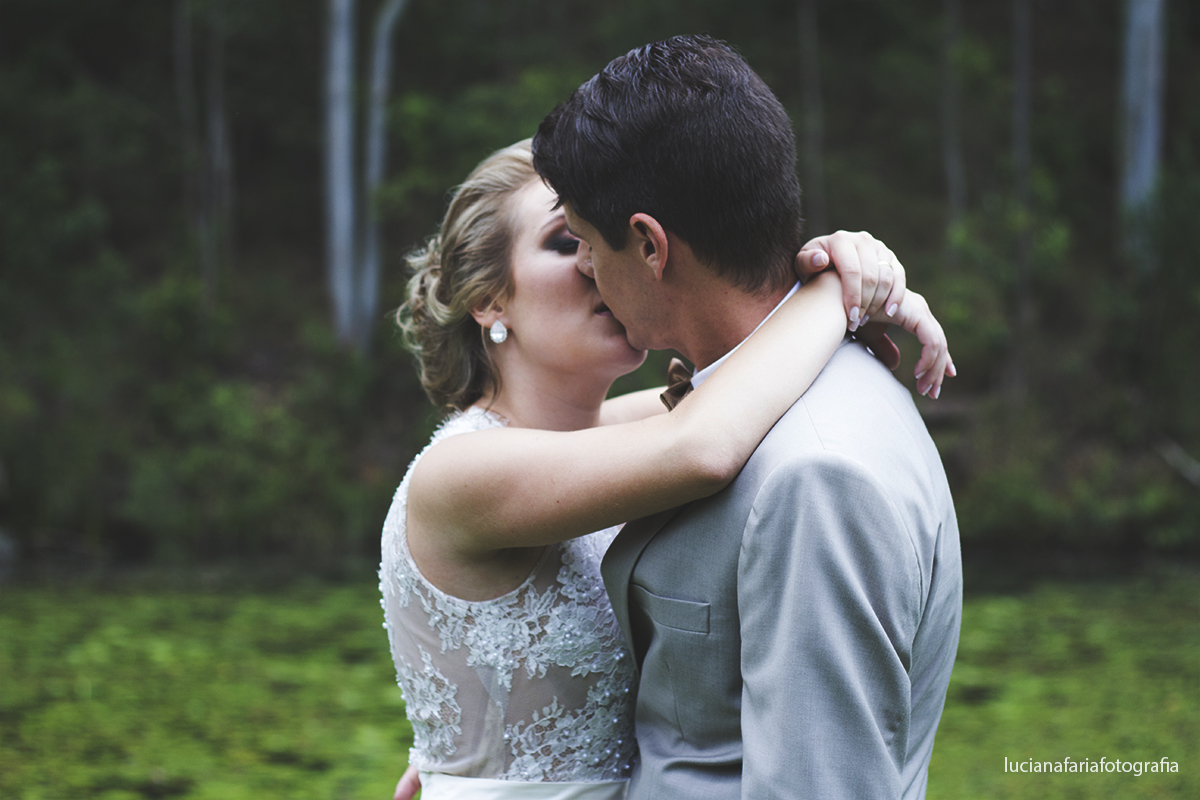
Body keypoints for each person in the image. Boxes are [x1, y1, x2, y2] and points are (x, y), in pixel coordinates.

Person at [381, 138, 952, 800]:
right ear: (488, 300)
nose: (596, 265)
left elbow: (742, 374)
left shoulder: (608, 434)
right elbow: (705, 444)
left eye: (599, 239)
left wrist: (852, 256)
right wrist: (833, 294)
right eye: (567, 243)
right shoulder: (460, 474)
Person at [532, 35, 962, 800]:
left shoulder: (818, 477)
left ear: (649, 244)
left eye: (585, 243)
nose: (585, 271)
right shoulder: (748, 390)